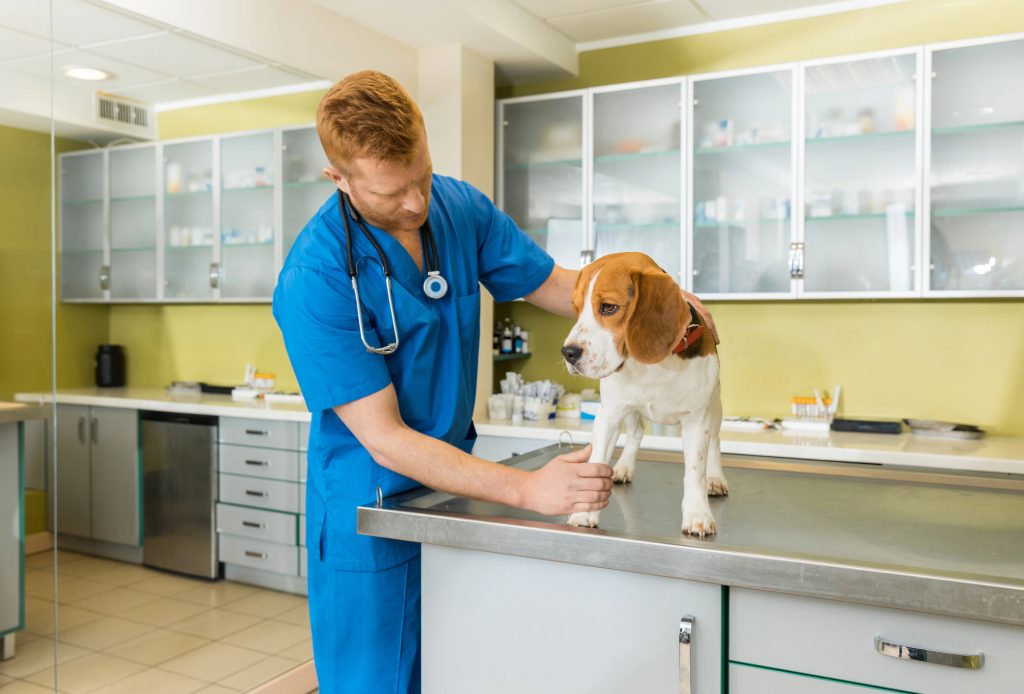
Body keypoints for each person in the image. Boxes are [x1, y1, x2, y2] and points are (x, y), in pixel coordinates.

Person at [272, 70, 716, 694]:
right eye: (392, 191)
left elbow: (561, 287)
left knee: (461, 669)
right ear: (338, 180)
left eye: (421, 175)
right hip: (369, 511)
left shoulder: (459, 208)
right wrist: (531, 491)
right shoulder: (314, 279)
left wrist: (667, 305)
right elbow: (387, 439)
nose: (416, 203)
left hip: (450, 500)